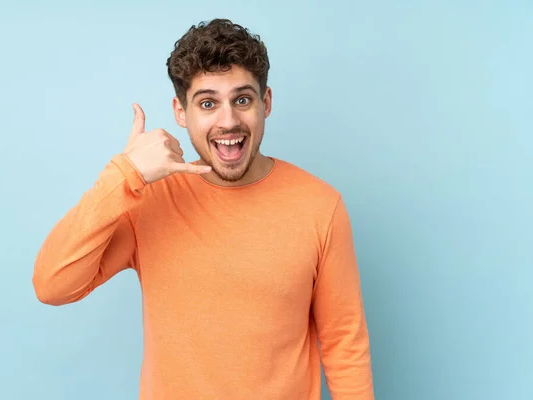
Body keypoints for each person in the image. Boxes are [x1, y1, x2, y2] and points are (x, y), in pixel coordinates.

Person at [32, 18, 374, 400]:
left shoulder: (319, 205)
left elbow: (345, 344)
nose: (228, 121)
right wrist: (124, 173)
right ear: (181, 112)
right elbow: (53, 286)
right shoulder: (150, 199)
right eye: (207, 103)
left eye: (242, 99)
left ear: (266, 102)